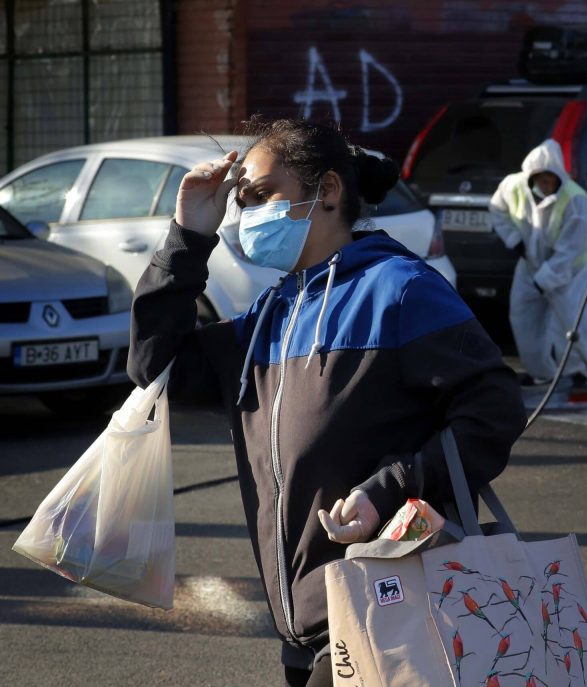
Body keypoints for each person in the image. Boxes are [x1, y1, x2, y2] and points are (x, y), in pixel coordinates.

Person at [127, 118, 526, 686]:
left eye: (263, 194)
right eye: (243, 202)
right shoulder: (270, 315)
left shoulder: (401, 289)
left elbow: (495, 409)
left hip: (394, 604)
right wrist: (188, 236)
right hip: (304, 624)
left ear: (329, 190)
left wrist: (390, 489)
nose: (249, 214)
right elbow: (153, 366)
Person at [489, 139, 587, 390]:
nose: (547, 186)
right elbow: (497, 210)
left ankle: (581, 372)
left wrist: (546, 278)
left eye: (551, 181)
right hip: (530, 262)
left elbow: (570, 248)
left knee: (570, 319)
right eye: (542, 181)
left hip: (572, 269)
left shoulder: (575, 199)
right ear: (532, 178)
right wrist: (514, 240)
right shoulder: (513, 186)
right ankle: (541, 372)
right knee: (523, 315)